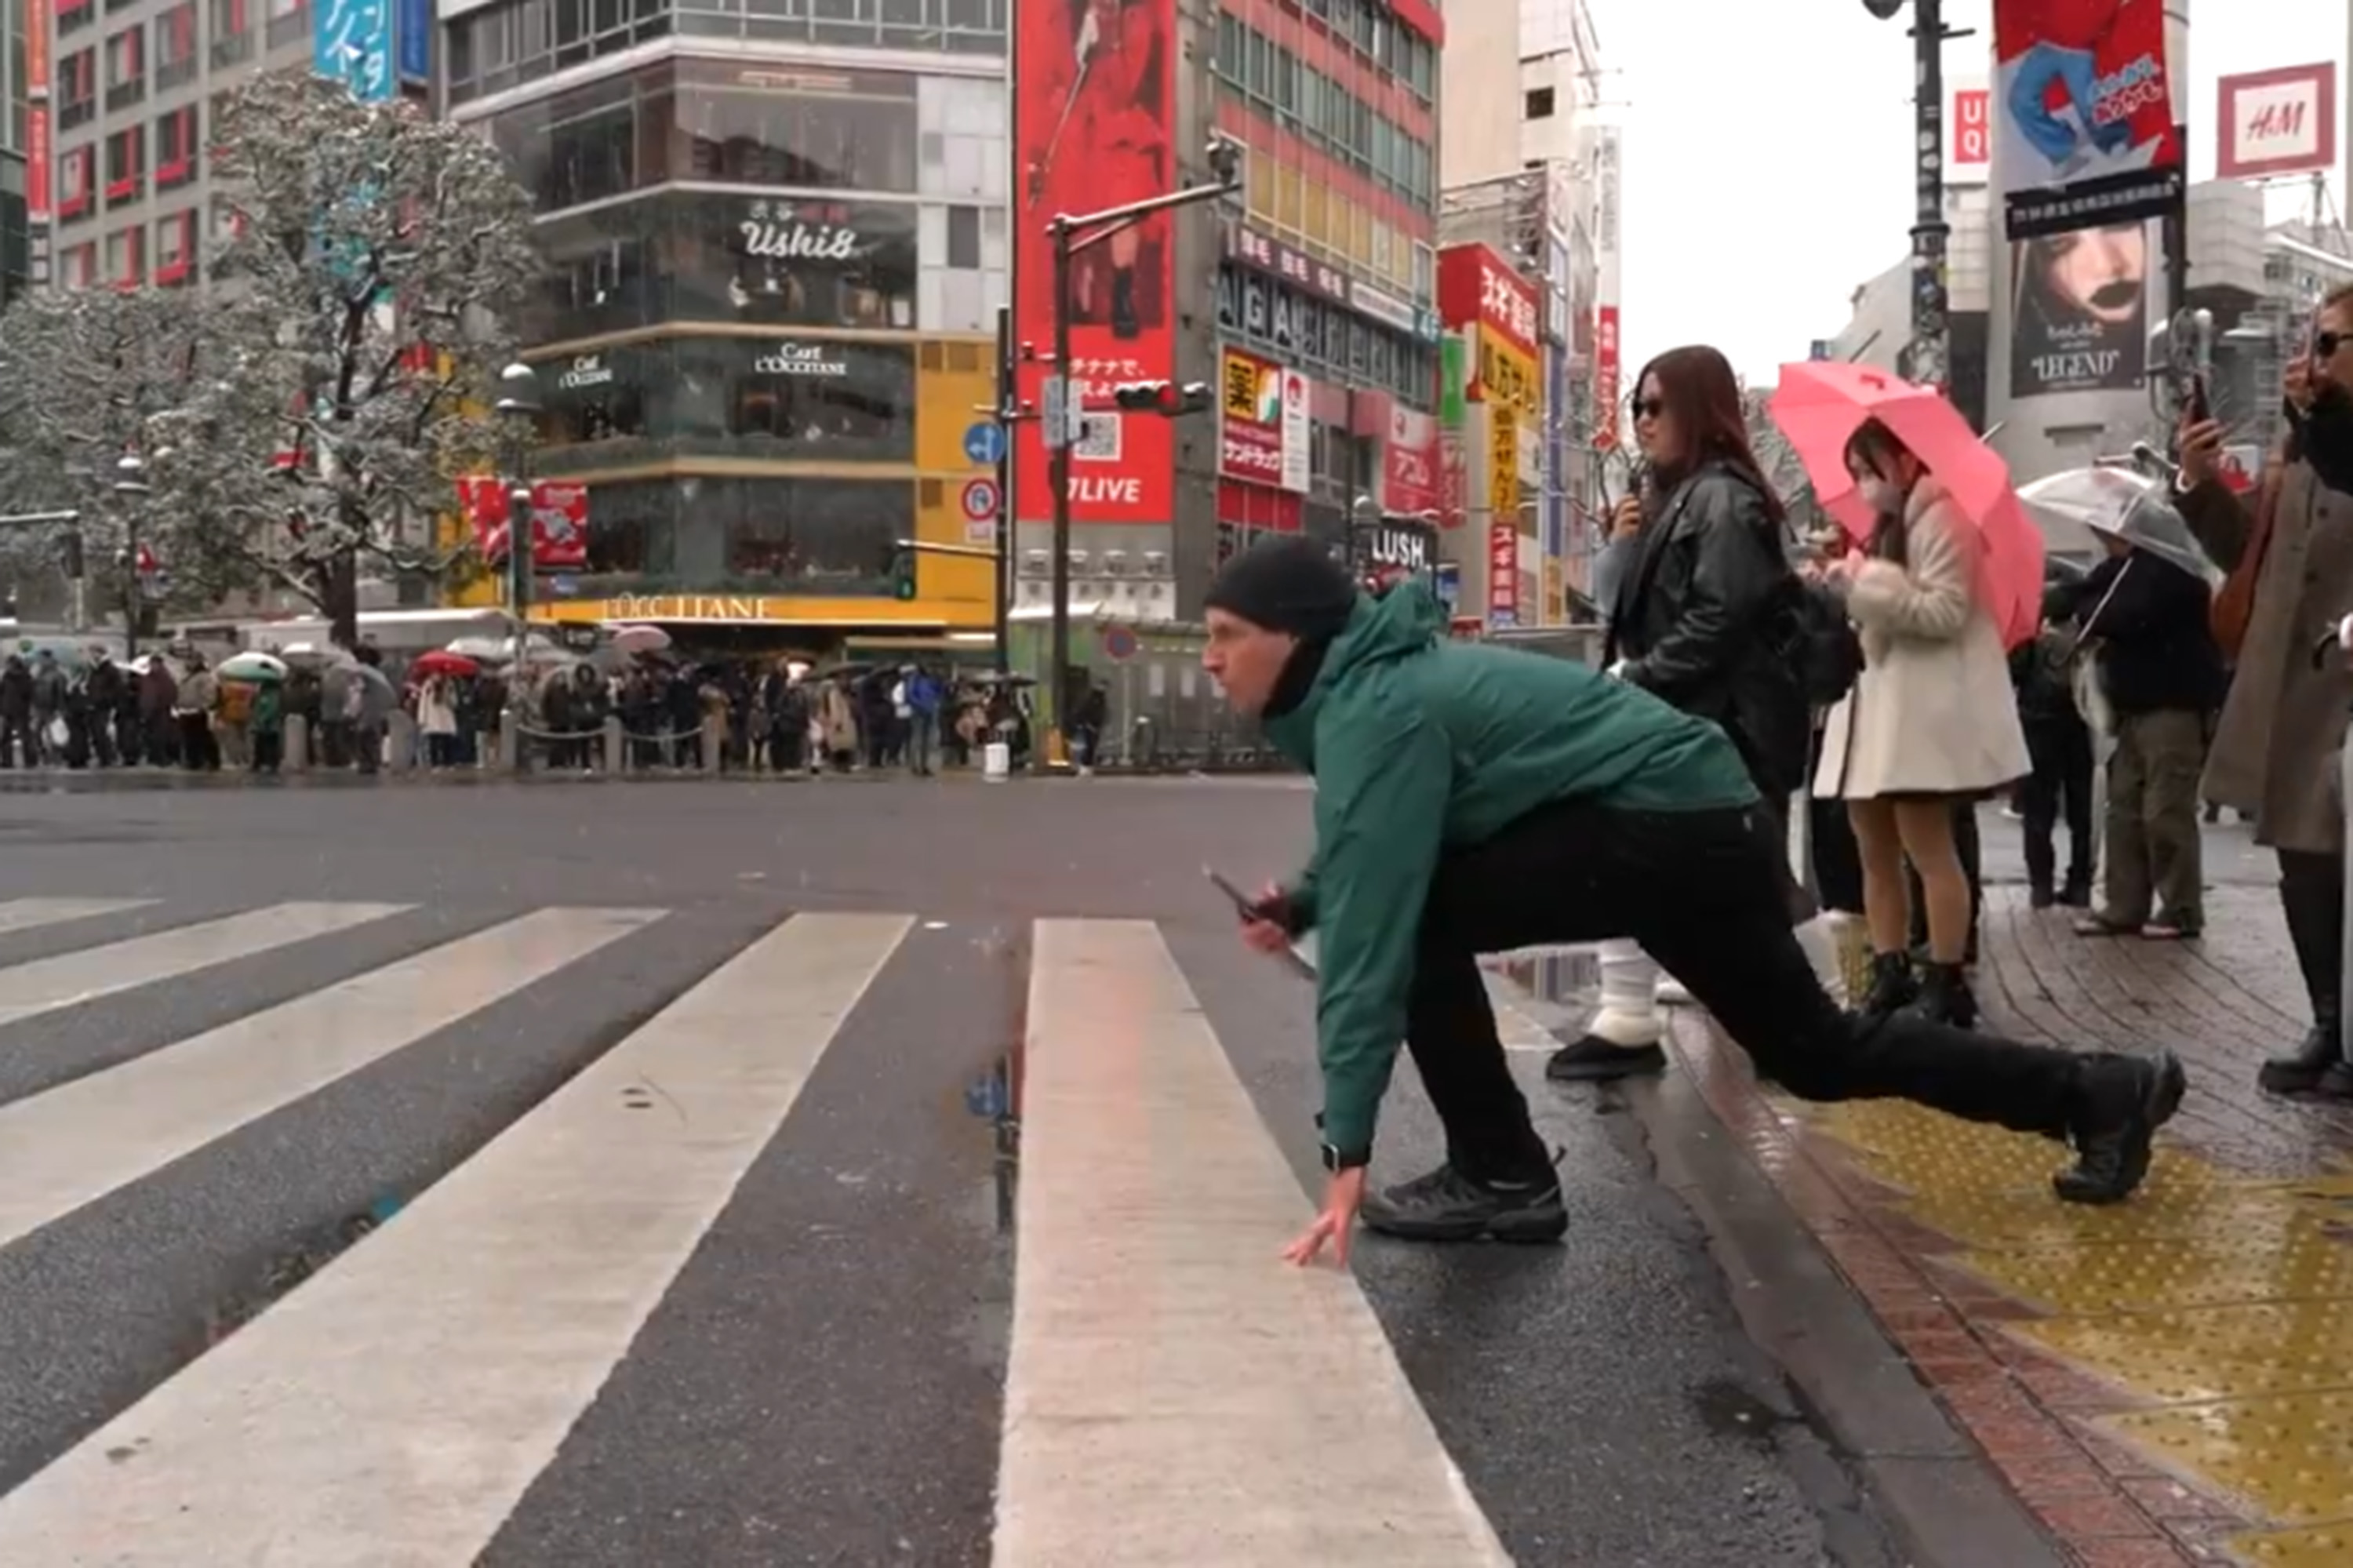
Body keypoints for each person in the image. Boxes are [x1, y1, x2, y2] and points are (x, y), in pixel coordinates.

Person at [1202, 536, 2187, 1268]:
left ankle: (1502, 1170)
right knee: (1816, 1056)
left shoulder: (1379, 705)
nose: (1210, 659)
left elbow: (1377, 925)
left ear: (1294, 638)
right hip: (1696, 821)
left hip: (1666, 825)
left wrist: (1348, 1148)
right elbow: (1381, 845)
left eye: (1226, 637)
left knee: (1413, 924)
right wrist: (1306, 904)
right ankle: (2101, 1091)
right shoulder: (1371, 693)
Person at [1554, 344, 1816, 1083]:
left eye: (1655, 405)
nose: (1641, 421)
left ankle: (1792, 1030)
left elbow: (1720, 616)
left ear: (1699, 408)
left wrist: (1637, 680)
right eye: (1636, 406)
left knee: (1733, 883)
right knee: (1651, 860)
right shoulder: (1675, 496)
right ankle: (1636, 1016)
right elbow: (1626, 608)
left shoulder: (1723, 500)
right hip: (1688, 717)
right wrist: (1622, 544)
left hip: (1719, 722)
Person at [2177, 283, 2353, 1094]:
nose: (2312, 360)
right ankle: (2328, 1020)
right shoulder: (2296, 449)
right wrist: (2200, 479)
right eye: (2312, 340)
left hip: (2345, 685)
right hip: (2291, 685)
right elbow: (2247, 551)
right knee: (2305, 863)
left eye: (2332, 344)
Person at [1811, 418, 2031, 1027]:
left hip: (1918, 714)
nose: (1862, 484)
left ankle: (1946, 973)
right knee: (1873, 849)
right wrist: (1850, 583)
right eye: (1855, 472)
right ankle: (1890, 969)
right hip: (1874, 710)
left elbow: (1944, 609)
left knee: (1927, 848)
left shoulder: (1944, 516)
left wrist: (1864, 584)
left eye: (1869, 468)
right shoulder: (1888, 527)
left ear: (1905, 459)